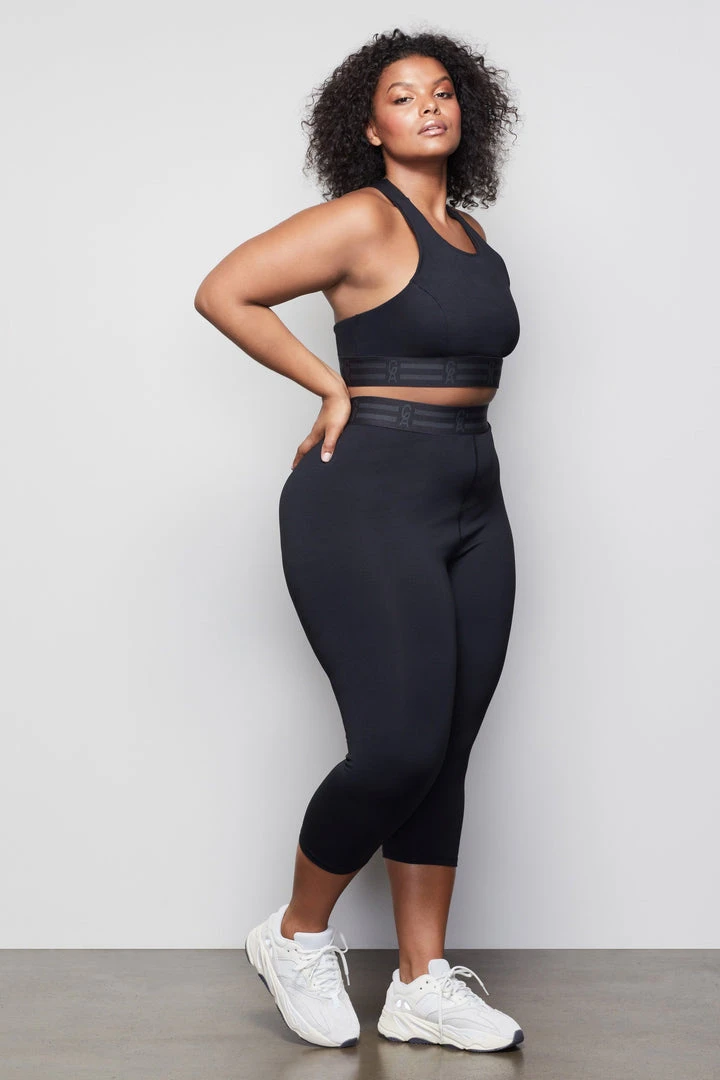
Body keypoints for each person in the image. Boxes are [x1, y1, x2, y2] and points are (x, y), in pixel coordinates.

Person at [194, 27, 524, 1054]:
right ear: (369, 125)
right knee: (398, 748)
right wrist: (329, 385)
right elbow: (224, 289)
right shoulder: (361, 219)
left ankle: (422, 982)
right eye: (402, 96)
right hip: (367, 496)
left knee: (446, 750)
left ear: (467, 112)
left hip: (474, 496)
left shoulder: (473, 236)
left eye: (443, 92)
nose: (428, 106)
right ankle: (295, 933)